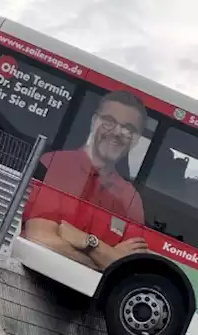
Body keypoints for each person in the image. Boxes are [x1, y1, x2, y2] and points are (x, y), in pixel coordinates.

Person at [21, 90, 150, 270]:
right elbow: (39, 238)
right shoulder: (55, 164)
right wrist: (105, 257)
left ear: (135, 139)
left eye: (128, 129)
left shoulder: (131, 200)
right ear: (94, 122)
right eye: (109, 121)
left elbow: (129, 269)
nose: (117, 132)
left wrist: (87, 242)